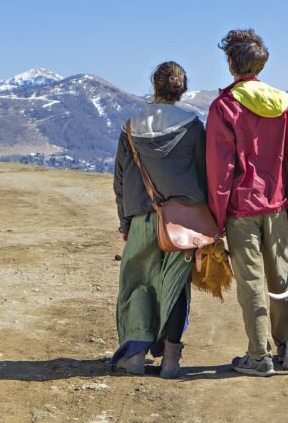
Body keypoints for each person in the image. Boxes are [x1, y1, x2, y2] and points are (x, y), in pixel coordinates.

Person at [206, 29, 288, 377]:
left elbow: (220, 169)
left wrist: (216, 217)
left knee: (251, 283)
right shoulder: (283, 103)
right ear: (261, 63)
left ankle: (258, 357)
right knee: (280, 279)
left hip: (242, 209)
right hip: (278, 207)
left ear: (231, 63)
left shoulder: (224, 107)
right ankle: (286, 347)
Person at [112, 61, 207, 378]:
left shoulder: (131, 126)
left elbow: (121, 179)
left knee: (138, 284)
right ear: (183, 89)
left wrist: (125, 222)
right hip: (184, 222)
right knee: (176, 288)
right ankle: (171, 361)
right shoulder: (193, 125)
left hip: (141, 217)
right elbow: (204, 174)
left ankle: (136, 357)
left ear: (154, 86)